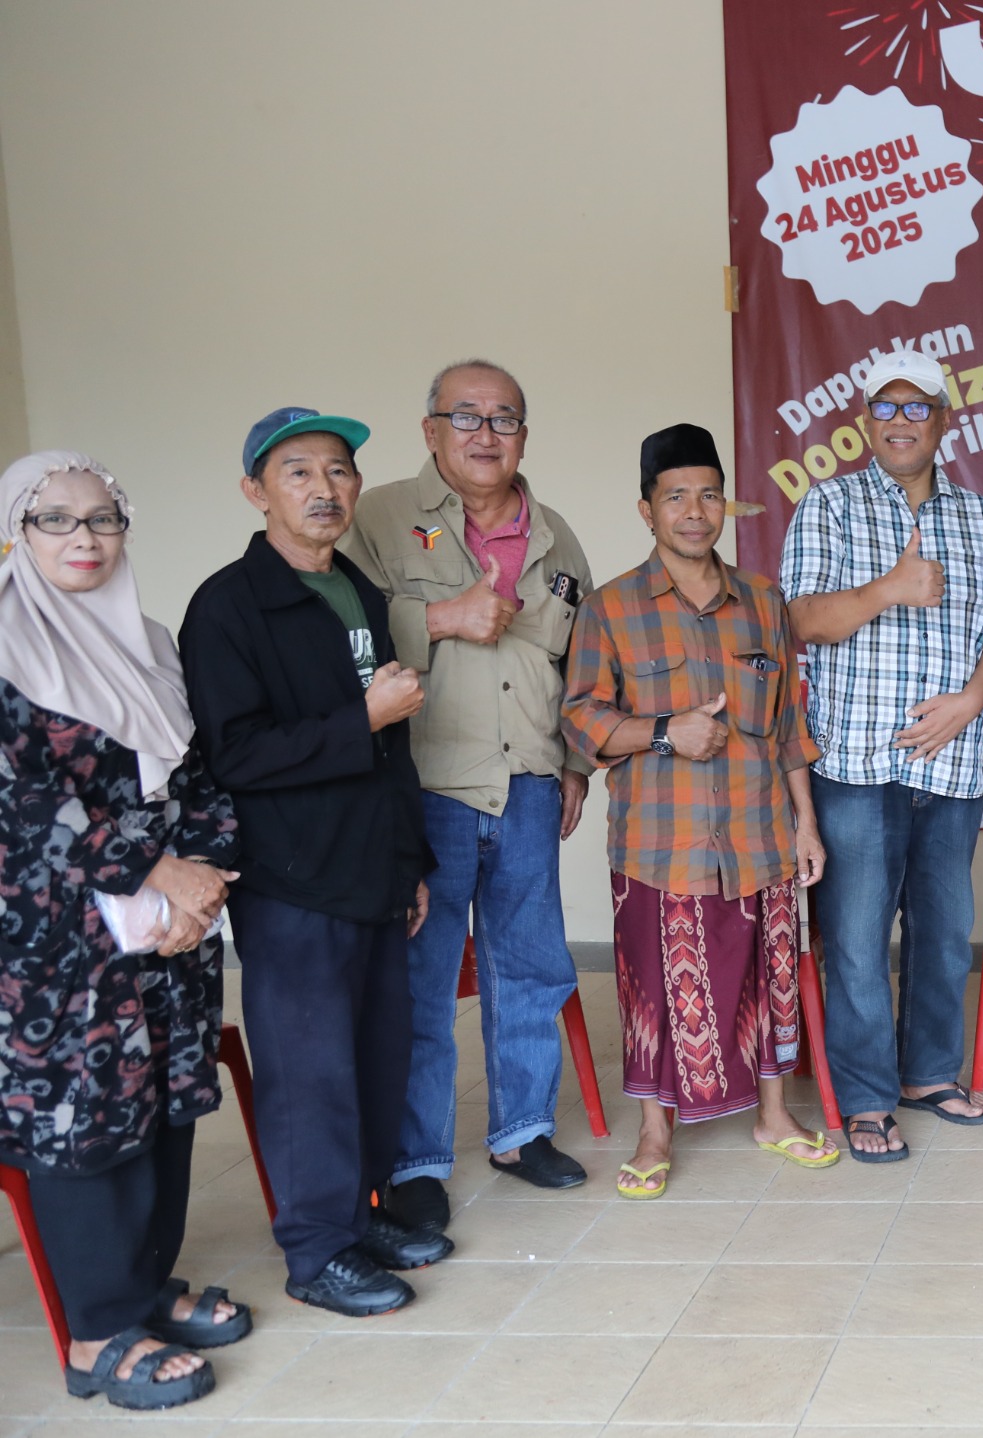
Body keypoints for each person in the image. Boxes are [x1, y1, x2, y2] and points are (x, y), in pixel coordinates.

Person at [182, 409, 447, 1314]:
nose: (323, 489)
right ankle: (315, 1250)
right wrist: (361, 720)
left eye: (338, 470)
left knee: (375, 1057)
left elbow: (391, 750)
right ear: (255, 492)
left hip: (371, 867)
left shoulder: (359, 592)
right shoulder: (229, 606)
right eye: (297, 472)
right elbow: (234, 755)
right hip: (292, 880)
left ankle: (359, 1213)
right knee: (308, 1071)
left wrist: (411, 861)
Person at [0, 452, 245, 1409]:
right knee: (87, 1117)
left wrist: (204, 881)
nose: (86, 538)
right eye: (56, 519)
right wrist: (157, 871)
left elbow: (198, 773)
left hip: (169, 929)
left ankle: (147, 1287)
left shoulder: (145, 641)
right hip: (58, 948)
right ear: (17, 533)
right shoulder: (8, 648)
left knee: (167, 1103)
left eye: (104, 518)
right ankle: (97, 1331)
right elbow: (24, 806)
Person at [341, 359, 595, 1231]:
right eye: (467, 416)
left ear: (524, 435)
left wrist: (576, 763)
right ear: (431, 430)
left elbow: (583, 662)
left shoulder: (554, 534)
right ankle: (417, 1160)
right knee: (422, 980)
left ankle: (523, 1132)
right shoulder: (378, 518)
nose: (487, 434)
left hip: (528, 782)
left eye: (505, 418)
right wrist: (441, 617)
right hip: (427, 785)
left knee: (530, 965)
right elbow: (338, 637)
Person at [562, 424, 838, 1196]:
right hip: (661, 842)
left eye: (709, 495)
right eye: (675, 496)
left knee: (767, 981)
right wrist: (663, 731)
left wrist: (806, 823)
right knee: (654, 991)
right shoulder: (610, 608)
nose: (694, 511)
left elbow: (788, 727)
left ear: (726, 506)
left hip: (759, 834)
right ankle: (655, 1134)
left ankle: (774, 1117)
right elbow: (581, 718)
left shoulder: (763, 602)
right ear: (646, 510)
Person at [782, 351, 983, 1160]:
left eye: (916, 406)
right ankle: (865, 1097)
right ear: (864, 422)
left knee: (944, 931)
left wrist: (971, 700)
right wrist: (889, 587)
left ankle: (927, 1075)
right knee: (855, 939)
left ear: (943, 420)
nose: (898, 421)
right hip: (856, 764)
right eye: (884, 407)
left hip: (949, 763)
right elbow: (800, 620)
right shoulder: (830, 503)